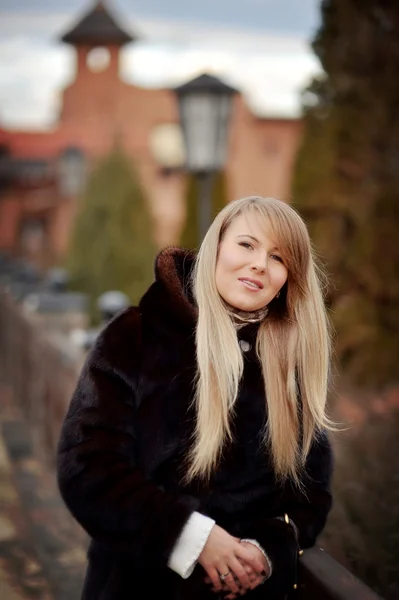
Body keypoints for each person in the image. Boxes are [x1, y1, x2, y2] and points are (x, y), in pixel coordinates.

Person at [57, 196, 335, 600]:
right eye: (247, 244)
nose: (259, 263)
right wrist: (192, 537)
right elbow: (87, 468)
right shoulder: (136, 337)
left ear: (288, 280)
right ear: (216, 246)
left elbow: (309, 499)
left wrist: (264, 551)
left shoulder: (292, 368)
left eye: (278, 257)